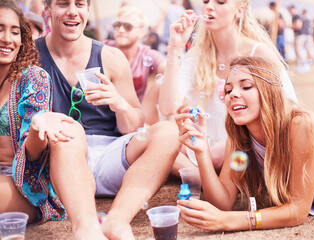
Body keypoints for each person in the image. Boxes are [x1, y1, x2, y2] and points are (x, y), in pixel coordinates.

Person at [36, 0, 181, 239]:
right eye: (63, 3)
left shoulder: (111, 57)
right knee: (70, 130)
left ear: (88, 9)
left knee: (168, 132)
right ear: (47, 8)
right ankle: (86, 228)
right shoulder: (31, 56)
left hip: (110, 157)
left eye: (80, 4)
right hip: (63, 160)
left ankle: (117, 220)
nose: (73, 11)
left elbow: (134, 125)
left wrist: (120, 105)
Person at [175, 56, 314, 231]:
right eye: (228, 90)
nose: (233, 94)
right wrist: (202, 151)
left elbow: (297, 211)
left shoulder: (302, 124)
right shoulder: (239, 133)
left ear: (268, 90)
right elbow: (223, 203)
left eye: (246, 86)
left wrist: (229, 221)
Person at [159, 0, 297, 175]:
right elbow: (167, 107)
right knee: (162, 142)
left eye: (220, 2)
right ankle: (202, 175)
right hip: (206, 147)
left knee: (217, 153)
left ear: (239, 10)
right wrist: (175, 49)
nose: (209, 6)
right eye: (206, 1)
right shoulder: (196, 56)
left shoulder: (259, 53)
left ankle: (197, 174)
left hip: (246, 146)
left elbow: (290, 106)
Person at [0, 0, 78, 228]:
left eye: (15, 32)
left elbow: (33, 154)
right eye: (0, 29)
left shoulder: (34, 79)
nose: (7, 38)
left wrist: (36, 126)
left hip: (21, 184)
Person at [104, 5, 166, 125]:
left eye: (128, 26)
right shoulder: (103, 49)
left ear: (142, 32)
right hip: (105, 115)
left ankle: (148, 128)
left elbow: (167, 68)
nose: (121, 30)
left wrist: (175, 49)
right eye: (117, 25)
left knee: (161, 85)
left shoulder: (146, 53)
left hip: (134, 117)